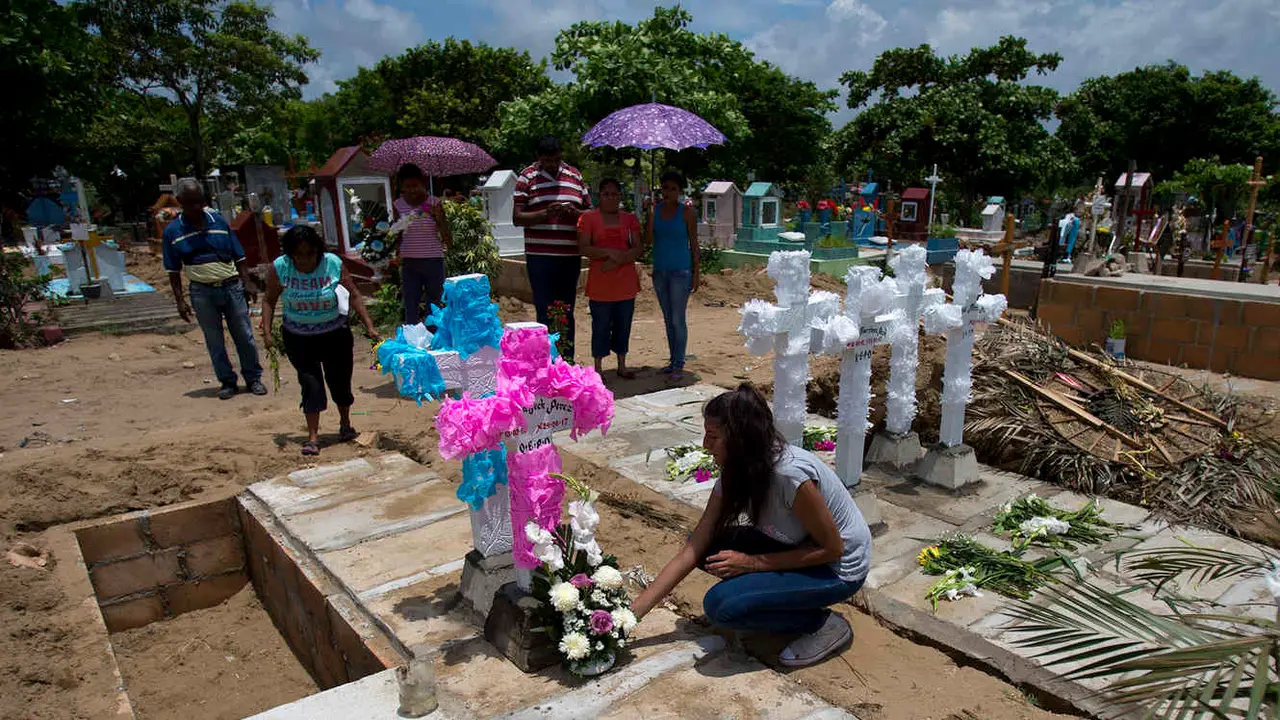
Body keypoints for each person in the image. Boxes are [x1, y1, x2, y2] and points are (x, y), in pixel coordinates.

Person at [632, 384, 872, 668]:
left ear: (741, 440)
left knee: (720, 607)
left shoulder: (789, 476)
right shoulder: (737, 471)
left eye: (713, 437)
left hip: (837, 568)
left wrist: (752, 563)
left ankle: (822, 624)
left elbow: (833, 549)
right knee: (709, 547)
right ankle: (768, 597)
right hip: (795, 545)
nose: (705, 446)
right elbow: (695, 546)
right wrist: (629, 617)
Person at [260, 226, 380, 456]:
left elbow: (353, 293)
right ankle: (313, 436)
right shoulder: (280, 268)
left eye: (310, 254)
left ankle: (345, 424)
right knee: (310, 383)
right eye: (299, 255)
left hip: (335, 335)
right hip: (298, 337)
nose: (304, 260)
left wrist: (370, 326)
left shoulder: (332, 263)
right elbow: (268, 300)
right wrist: (267, 333)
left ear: (318, 251)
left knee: (340, 380)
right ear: (290, 254)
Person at [163, 177, 266, 400]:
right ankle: (227, 382)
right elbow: (173, 271)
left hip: (231, 287)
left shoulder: (218, 222)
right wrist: (180, 300)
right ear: (180, 201)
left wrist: (247, 282)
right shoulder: (172, 232)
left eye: (198, 201)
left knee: (245, 336)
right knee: (214, 340)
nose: (196, 207)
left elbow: (239, 256)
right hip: (202, 292)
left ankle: (253, 378)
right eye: (190, 202)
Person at [513, 136, 591, 362]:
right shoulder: (526, 177)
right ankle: (544, 360)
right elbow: (517, 218)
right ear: (539, 158)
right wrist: (546, 214)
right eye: (547, 161)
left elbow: (589, 213)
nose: (552, 165)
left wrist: (573, 214)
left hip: (569, 256)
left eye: (556, 160)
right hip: (540, 257)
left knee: (566, 310)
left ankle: (566, 359)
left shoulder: (575, 175)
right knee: (544, 310)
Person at [577, 178, 642, 379]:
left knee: (624, 324)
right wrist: (607, 253)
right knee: (601, 326)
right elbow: (584, 247)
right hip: (600, 284)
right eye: (607, 193)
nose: (611, 197)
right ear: (600, 196)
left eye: (615, 194)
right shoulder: (588, 219)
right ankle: (598, 367)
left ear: (620, 196)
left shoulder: (630, 219)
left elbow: (638, 248)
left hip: (625, 283)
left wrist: (619, 259)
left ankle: (622, 365)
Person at [646, 171, 701, 381]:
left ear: (679, 191)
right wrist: (650, 216)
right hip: (660, 271)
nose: (667, 192)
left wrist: (696, 272)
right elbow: (649, 240)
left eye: (672, 188)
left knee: (678, 319)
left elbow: (694, 244)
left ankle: (679, 363)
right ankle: (672, 360)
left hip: (681, 272)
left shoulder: (687, 213)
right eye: (665, 188)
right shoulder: (655, 211)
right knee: (668, 319)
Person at [393, 163, 452, 326]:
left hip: (433, 260)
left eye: (415, 185)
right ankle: (412, 336)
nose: (412, 190)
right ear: (401, 187)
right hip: (409, 262)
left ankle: (434, 335)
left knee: (434, 302)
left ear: (423, 184)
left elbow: (447, 237)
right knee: (410, 301)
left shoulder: (434, 203)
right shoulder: (398, 205)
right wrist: (396, 253)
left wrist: (438, 218)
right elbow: (396, 234)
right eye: (407, 186)